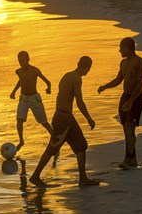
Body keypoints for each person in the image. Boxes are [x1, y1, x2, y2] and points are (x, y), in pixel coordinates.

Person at [29, 56, 100, 187]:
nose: (89, 71)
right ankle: (35, 176)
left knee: (81, 146)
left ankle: (83, 178)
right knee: (52, 148)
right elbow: (79, 101)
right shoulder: (77, 79)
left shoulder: (67, 75)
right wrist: (89, 119)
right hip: (63, 118)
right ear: (87, 67)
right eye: (89, 68)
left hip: (65, 116)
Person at [98, 37, 142, 169]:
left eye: (121, 47)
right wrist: (105, 86)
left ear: (128, 48)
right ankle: (133, 159)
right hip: (125, 97)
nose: (119, 50)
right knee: (126, 129)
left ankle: (127, 159)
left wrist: (131, 101)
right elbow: (118, 79)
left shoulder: (140, 62)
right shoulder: (123, 63)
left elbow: (140, 85)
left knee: (130, 128)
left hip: (135, 98)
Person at [10, 51, 52, 151]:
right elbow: (21, 81)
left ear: (28, 60)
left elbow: (48, 82)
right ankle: (21, 141)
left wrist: (48, 88)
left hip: (34, 99)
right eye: (19, 61)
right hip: (23, 98)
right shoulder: (18, 71)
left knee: (44, 122)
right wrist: (13, 92)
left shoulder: (35, 71)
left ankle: (54, 138)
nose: (21, 63)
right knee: (19, 120)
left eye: (23, 61)